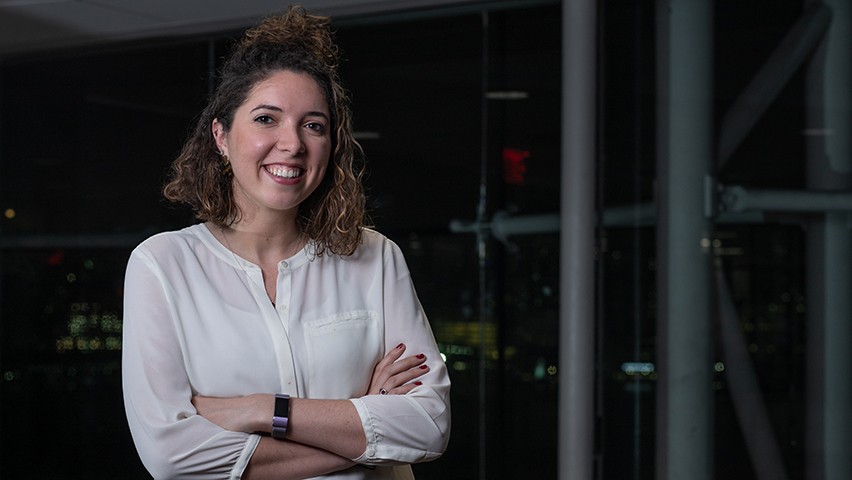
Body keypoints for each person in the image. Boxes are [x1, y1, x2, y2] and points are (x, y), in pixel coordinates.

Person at [121, 6, 451, 479]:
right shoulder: (162, 265)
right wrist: (367, 427)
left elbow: (429, 426)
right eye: (266, 119)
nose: (292, 143)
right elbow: (171, 456)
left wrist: (261, 410)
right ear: (221, 135)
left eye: (313, 125)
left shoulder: (376, 257)